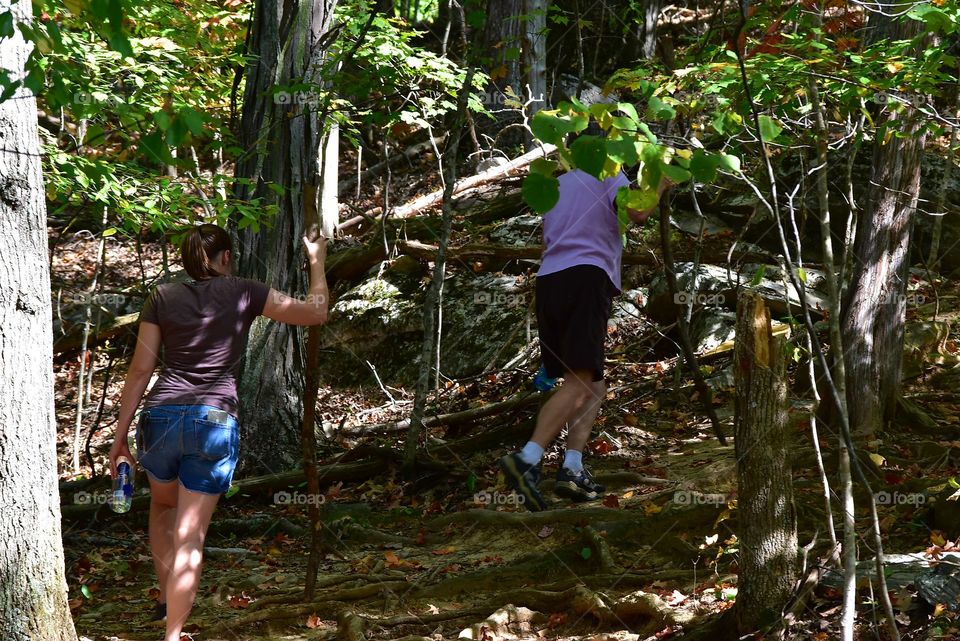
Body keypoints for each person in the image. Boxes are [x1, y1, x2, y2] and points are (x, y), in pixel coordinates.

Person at [108, 224, 329, 641]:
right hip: (213, 420)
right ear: (225, 257)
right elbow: (316, 313)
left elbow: (141, 369)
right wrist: (317, 260)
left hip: (160, 419)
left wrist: (119, 438)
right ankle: (173, 634)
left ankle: (165, 596)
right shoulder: (244, 291)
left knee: (161, 509)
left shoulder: (162, 296)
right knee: (191, 534)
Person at [499, 157, 670, 512]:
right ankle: (527, 459)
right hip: (586, 276)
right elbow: (638, 214)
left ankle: (571, 468)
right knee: (580, 380)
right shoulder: (608, 173)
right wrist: (662, 185)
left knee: (592, 383)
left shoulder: (558, 185)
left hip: (549, 281)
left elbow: (547, 244)